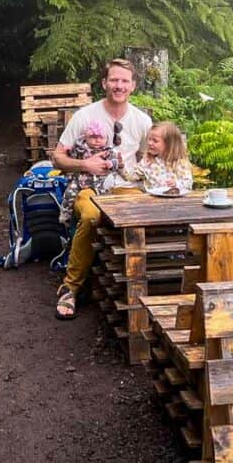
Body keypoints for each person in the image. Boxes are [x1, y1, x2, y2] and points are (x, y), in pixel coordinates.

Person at [52, 58, 151, 320]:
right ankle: (70, 286)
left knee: (149, 214)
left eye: (125, 81)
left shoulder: (141, 120)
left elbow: (147, 158)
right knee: (92, 216)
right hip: (88, 188)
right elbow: (57, 158)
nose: (119, 86)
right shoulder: (85, 116)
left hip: (127, 188)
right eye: (114, 80)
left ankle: (143, 286)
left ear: (133, 86)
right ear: (104, 83)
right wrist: (85, 164)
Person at [58, 120, 118, 227]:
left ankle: (106, 218)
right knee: (69, 192)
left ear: (106, 138)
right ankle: (66, 214)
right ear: (86, 137)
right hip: (81, 179)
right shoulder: (80, 148)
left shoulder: (108, 150)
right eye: (93, 137)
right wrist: (68, 151)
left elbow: (115, 161)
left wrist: (111, 163)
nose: (97, 141)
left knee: (106, 199)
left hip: (100, 181)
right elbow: (72, 158)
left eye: (101, 138)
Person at [121, 121, 193, 194]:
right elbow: (132, 177)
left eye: (155, 141)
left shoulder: (179, 162)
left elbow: (188, 183)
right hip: (152, 201)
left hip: (175, 201)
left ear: (169, 145)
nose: (150, 143)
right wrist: (121, 167)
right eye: (149, 139)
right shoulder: (147, 161)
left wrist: (177, 184)